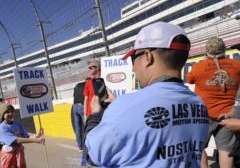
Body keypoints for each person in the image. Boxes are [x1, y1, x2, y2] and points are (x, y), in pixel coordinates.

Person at [85, 22, 209, 167]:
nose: (133, 69)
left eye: (133, 59)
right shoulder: (199, 103)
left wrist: (95, 115)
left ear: (147, 56)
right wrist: (120, 105)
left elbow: (91, 156)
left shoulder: (124, 108)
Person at [187, 37, 240, 168]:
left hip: (204, 114)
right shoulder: (237, 65)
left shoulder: (198, 67)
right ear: (225, 49)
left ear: (206, 51)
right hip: (229, 114)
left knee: (199, 147)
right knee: (226, 150)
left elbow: (190, 80)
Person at [0, 103, 45, 168]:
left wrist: (37, 135)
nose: (10, 113)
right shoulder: (2, 128)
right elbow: (15, 141)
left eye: (12, 111)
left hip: (19, 155)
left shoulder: (17, 125)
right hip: (8, 157)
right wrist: (35, 140)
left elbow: (26, 137)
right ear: (2, 115)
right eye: (7, 112)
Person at [72, 81, 85, 150]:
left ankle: (80, 146)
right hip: (81, 106)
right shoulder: (87, 85)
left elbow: (74, 95)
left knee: (77, 127)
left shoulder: (77, 85)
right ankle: (88, 145)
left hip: (74, 106)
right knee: (87, 126)